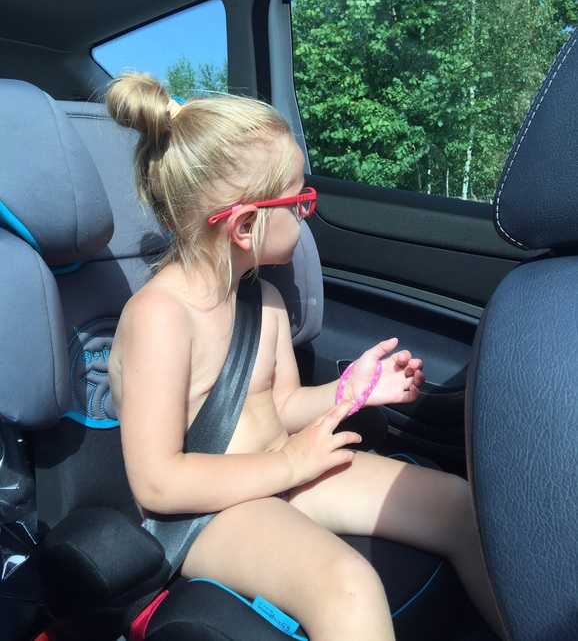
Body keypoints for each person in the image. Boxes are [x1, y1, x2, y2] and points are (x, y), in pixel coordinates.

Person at [106, 72, 504, 641]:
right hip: (206, 510)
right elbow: (158, 484)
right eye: (298, 202)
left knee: (460, 506)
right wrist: (290, 465)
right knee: (349, 586)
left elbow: (283, 404)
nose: (307, 213)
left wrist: (349, 393)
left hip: (284, 469)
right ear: (246, 225)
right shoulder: (160, 317)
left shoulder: (263, 301)